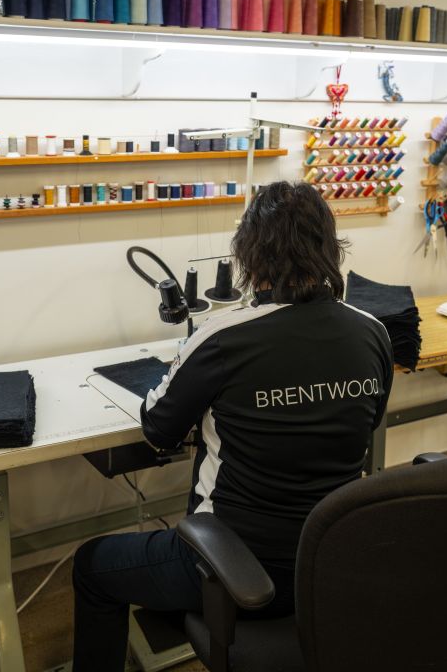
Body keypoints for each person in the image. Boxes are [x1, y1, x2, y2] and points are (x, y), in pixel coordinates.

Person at [72, 181, 393, 671]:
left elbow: (157, 430)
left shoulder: (222, 337)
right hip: (330, 563)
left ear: (249, 254)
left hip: (233, 566)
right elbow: (366, 422)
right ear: (330, 246)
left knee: (92, 566)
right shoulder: (372, 332)